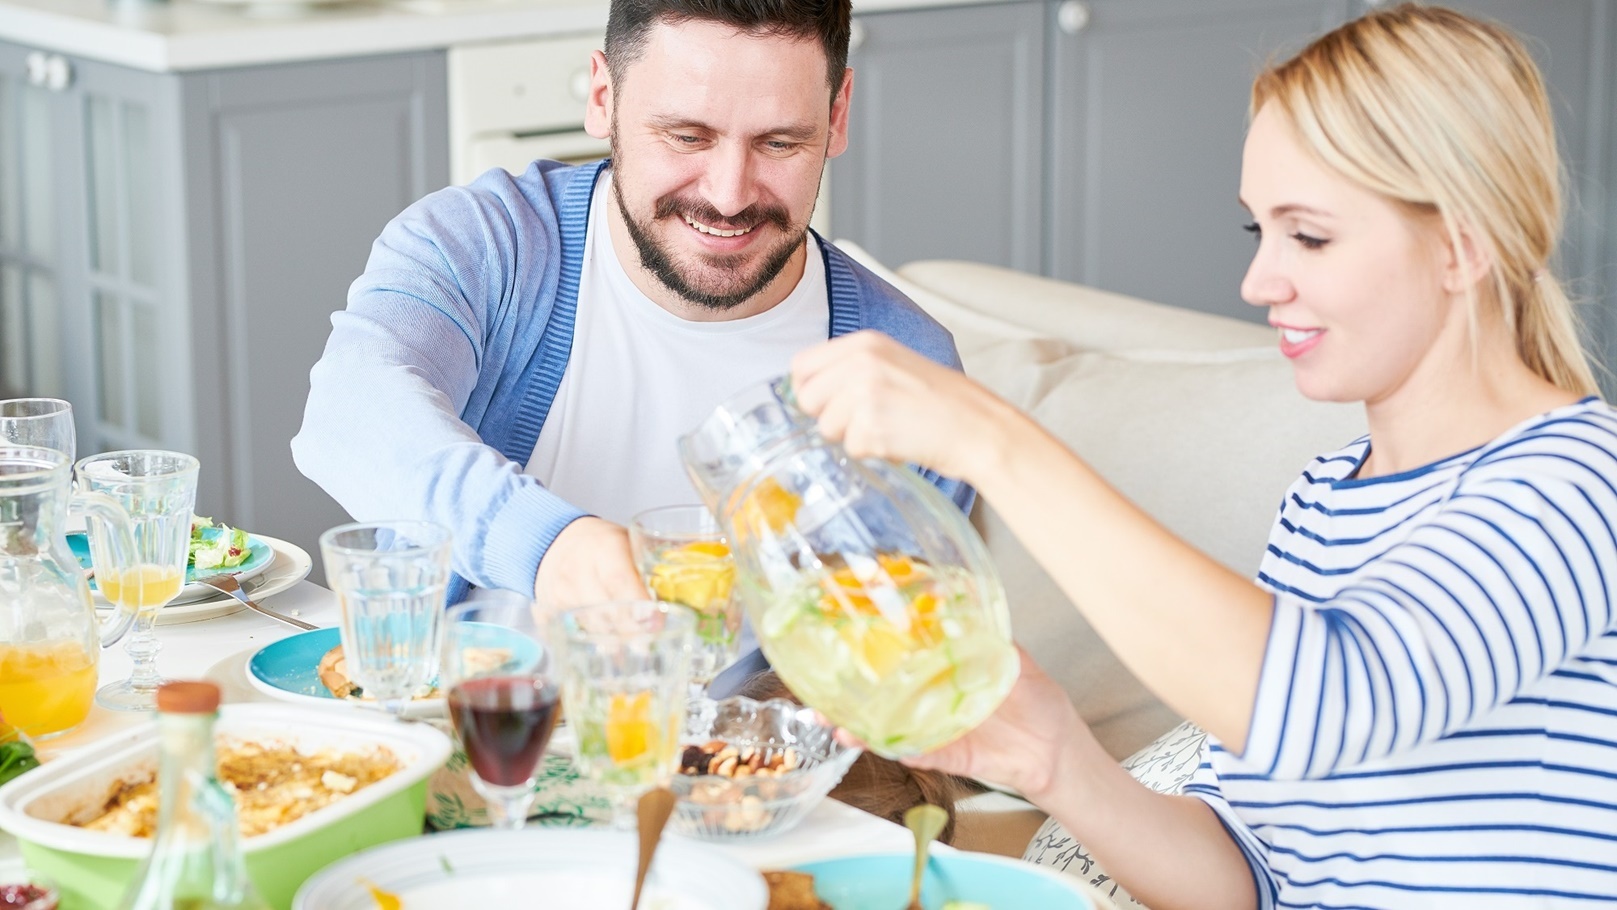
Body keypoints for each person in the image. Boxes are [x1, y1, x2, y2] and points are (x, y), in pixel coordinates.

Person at [788, 5, 1617, 908]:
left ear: (1462, 244)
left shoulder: (1573, 485)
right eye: (1255, 231)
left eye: (1308, 235)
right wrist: (1057, 754)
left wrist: (991, 439)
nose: (1259, 282)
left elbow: (1326, 704)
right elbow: (1244, 884)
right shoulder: (1326, 499)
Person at [290, 0, 972, 624]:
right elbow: (348, 412)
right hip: (456, 737)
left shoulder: (910, 367)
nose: (730, 194)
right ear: (602, 98)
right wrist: (551, 549)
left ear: (838, 113)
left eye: (779, 144)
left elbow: (885, 674)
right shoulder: (484, 243)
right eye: (686, 136)